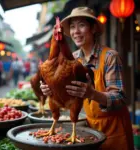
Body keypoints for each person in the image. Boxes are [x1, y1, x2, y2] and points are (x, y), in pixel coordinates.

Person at [40, 7, 134, 150]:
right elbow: (68, 94)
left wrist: (92, 93)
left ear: (94, 28)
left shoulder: (110, 57)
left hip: (114, 129)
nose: (75, 31)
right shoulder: (73, 59)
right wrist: (50, 90)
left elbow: (120, 98)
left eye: (81, 25)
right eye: (72, 27)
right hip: (89, 128)